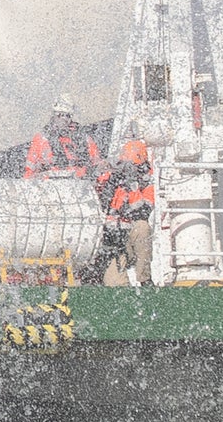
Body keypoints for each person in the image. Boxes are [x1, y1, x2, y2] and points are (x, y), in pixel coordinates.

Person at [96, 137, 156, 285]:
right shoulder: (111, 179)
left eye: (132, 166)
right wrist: (108, 176)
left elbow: (141, 212)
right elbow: (97, 197)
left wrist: (132, 186)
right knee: (116, 286)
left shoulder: (147, 184)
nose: (127, 169)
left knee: (142, 227)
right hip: (111, 244)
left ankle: (144, 279)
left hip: (130, 241)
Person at [25, 96, 102, 178]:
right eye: (60, 115)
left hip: (79, 185)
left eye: (67, 115)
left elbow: (98, 167)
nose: (64, 119)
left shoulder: (84, 139)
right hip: (50, 186)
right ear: (54, 115)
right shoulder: (41, 139)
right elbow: (29, 172)